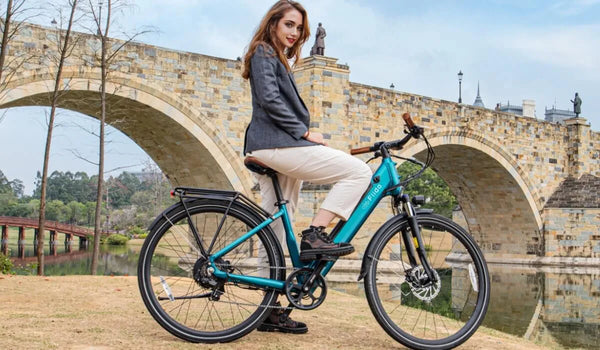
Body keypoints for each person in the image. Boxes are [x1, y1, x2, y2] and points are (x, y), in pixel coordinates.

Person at [241, 0, 372, 334]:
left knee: (273, 232)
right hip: (277, 144)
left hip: (275, 146)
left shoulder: (278, 58)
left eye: (298, 28)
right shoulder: (263, 52)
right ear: (272, 24)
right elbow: (270, 100)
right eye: (288, 25)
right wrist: (303, 132)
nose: (294, 33)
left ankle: (267, 311)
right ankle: (315, 235)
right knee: (358, 172)